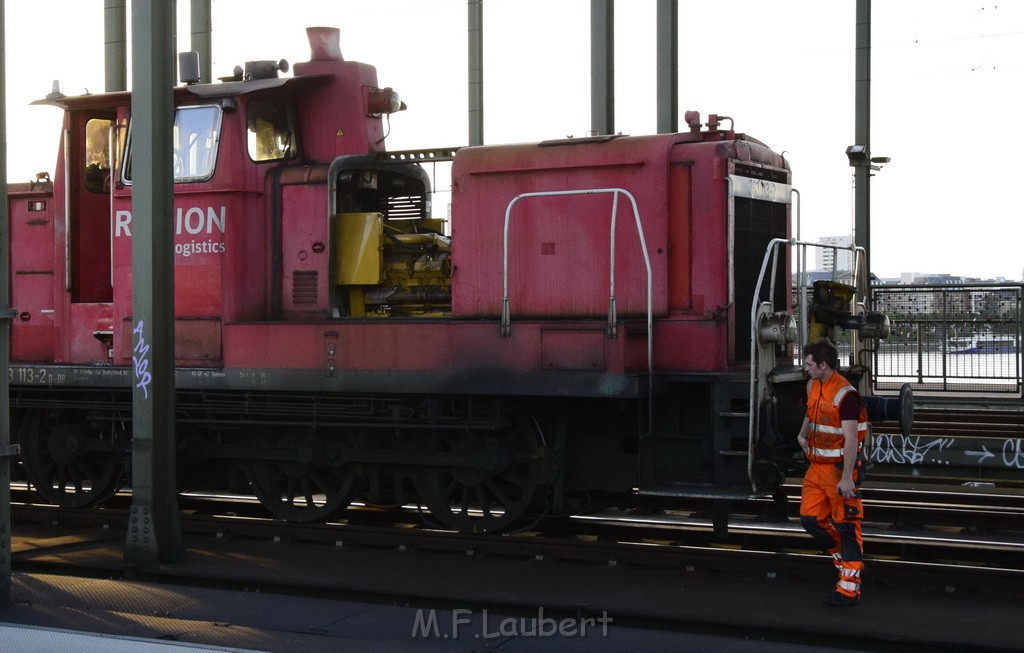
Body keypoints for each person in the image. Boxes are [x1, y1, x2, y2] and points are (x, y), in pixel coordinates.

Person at [796, 338, 868, 607]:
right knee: (810, 519)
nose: (806, 369)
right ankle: (848, 565)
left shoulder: (846, 396)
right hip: (816, 468)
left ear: (823, 365)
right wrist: (802, 435)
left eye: (809, 364)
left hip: (839, 471)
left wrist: (848, 477)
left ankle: (850, 589)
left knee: (848, 526)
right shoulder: (814, 384)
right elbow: (811, 412)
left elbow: (851, 441)